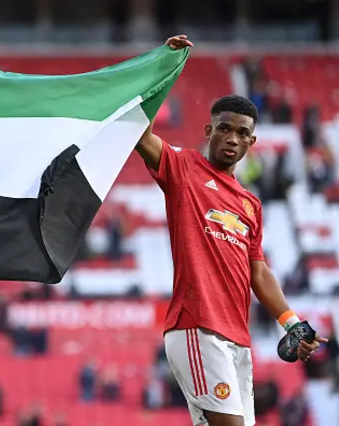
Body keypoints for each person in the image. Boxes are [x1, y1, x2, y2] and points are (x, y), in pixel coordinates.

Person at [135, 34, 328, 426]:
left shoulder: (250, 204)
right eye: (225, 129)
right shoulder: (184, 168)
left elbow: (258, 272)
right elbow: (139, 134)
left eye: (242, 134)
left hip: (238, 339)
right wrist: (162, 68)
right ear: (209, 130)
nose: (233, 139)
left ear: (252, 142)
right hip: (197, 327)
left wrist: (290, 321)